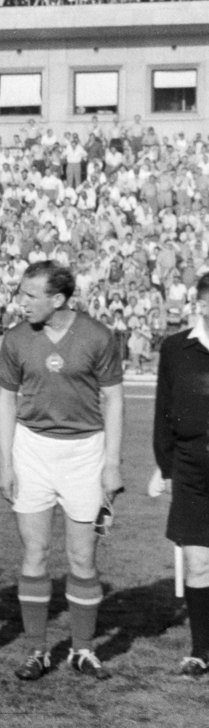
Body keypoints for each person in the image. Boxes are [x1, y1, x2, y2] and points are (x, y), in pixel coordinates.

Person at [0, 261, 124, 681]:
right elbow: (7, 403)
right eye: (21, 294)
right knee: (34, 554)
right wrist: (5, 462)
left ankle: (83, 650)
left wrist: (112, 465)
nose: (22, 302)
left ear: (58, 299)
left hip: (85, 452)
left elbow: (114, 401)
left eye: (31, 296)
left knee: (81, 558)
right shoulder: (15, 339)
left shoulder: (98, 336)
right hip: (31, 450)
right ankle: (37, 651)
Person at [152, 271, 209, 678]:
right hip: (192, 468)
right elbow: (163, 412)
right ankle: (201, 650)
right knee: (197, 562)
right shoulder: (176, 348)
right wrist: (165, 465)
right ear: (202, 304)